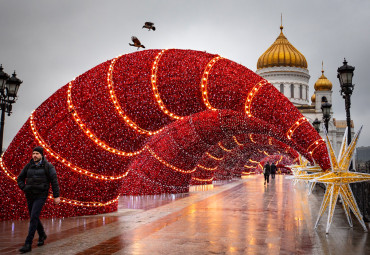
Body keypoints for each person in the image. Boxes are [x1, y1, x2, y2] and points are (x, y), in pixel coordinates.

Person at [17, 146, 60, 253]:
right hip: (30, 195)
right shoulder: (28, 166)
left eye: (37, 153)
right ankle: (42, 235)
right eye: (33, 153)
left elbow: (54, 181)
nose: (34, 155)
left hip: (41, 195)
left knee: (34, 216)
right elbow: (20, 179)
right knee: (33, 216)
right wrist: (24, 187)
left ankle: (28, 244)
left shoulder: (48, 166)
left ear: (41, 155)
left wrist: (56, 196)